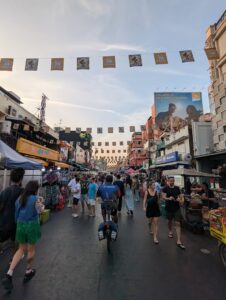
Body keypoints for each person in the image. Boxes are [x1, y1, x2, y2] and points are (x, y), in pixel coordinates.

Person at [2, 181, 44, 291]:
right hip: (32, 225)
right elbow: (40, 211)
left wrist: (18, 222)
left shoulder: (20, 198)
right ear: (35, 189)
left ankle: (9, 273)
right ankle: (28, 271)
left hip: (20, 224)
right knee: (31, 250)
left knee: (20, 249)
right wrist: (41, 204)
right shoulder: (36, 199)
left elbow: (16, 213)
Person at [0, 168, 25, 247]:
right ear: (21, 179)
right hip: (16, 222)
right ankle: (14, 258)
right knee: (15, 242)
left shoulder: (5, 191)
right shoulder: (23, 192)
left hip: (3, 221)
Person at [162, 177, 185, 249]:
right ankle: (170, 231)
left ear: (174, 181)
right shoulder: (165, 188)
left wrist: (180, 199)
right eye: (170, 181)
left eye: (173, 181)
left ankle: (178, 240)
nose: (171, 182)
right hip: (169, 208)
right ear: (168, 181)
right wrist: (168, 198)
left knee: (178, 223)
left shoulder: (177, 188)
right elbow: (163, 197)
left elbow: (180, 196)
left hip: (176, 208)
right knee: (169, 221)